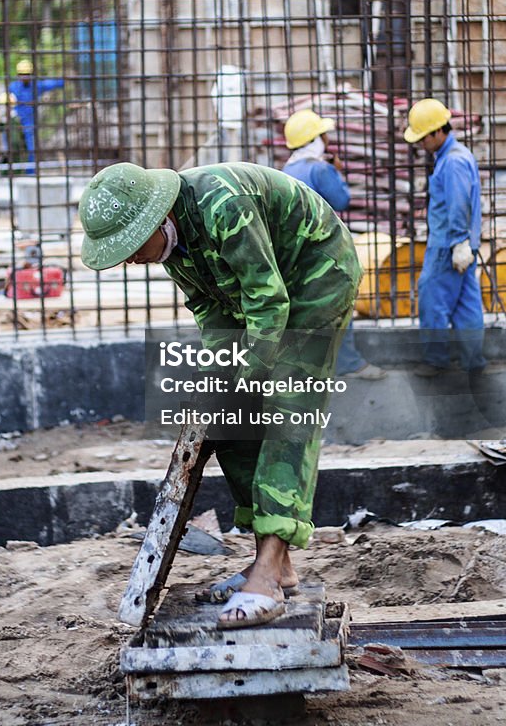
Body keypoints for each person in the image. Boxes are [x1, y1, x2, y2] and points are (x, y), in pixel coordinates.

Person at [78, 161, 362, 628]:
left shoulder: (223, 204)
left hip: (315, 277)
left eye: (130, 246)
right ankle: (276, 565)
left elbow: (269, 301)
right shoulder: (174, 245)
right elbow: (212, 307)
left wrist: (249, 376)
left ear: (156, 219)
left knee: (288, 409)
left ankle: (268, 578)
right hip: (267, 298)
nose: (129, 259)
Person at [282, 109, 386, 381]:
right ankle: (348, 363)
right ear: (315, 139)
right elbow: (340, 200)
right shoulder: (320, 168)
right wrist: (336, 171)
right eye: (323, 134)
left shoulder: (287, 169)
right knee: (340, 304)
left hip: (295, 253)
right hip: (324, 251)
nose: (327, 139)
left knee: (305, 309)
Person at [404, 98, 486, 382]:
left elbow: (458, 204)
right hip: (461, 244)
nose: (420, 144)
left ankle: (436, 360)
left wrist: (459, 242)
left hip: (448, 246)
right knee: (465, 304)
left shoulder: (452, 162)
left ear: (438, 131)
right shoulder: (455, 156)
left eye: (422, 137)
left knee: (432, 298)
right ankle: (474, 361)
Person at [8, 59, 65, 174]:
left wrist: (64, 81)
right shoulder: (13, 87)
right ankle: (12, 172)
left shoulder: (35, 86)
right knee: (13, 148)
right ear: (18, 75)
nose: (25, 77)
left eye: (27, 75)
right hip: (15, 122)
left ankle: (30, 172)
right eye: (22, 75)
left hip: (29, 123)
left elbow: (49, 84)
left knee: (31, 148)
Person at [0, 91, 28, 173]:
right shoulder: (7, 120)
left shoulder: (14, 120)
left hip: (15, 154)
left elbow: (17, 140)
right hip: (10, 153)